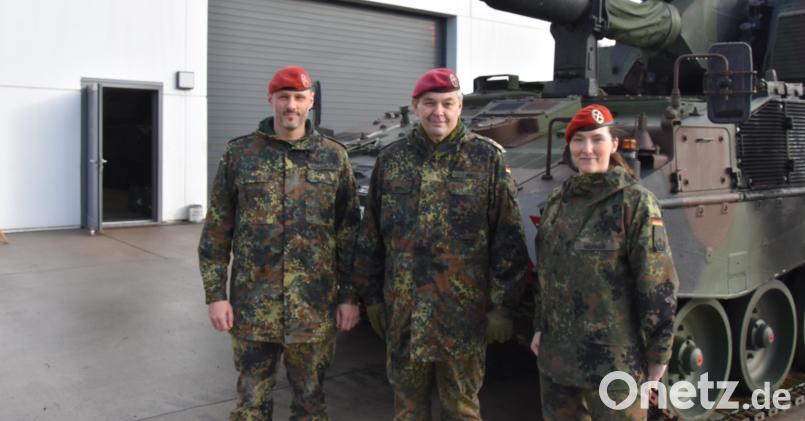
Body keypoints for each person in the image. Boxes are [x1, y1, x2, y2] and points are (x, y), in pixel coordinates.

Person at [352, 68, 528, 420]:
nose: (439, 112)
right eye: (429, 103)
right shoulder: (392, 160)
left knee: (461, 409)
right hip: (404, 314)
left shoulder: (487, 158)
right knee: (407, 409)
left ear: (460, 106)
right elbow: (371, 235)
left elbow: (508, 240)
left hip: (463, 317)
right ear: (416, 106)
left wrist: (502, 306)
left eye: (448, 103)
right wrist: (370, 297)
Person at [198, 65, 361, 421]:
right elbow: (216, 230)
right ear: (270, 98)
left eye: (299, 98)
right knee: (251, 405)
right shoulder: (239, 154)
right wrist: (216, 295)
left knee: (311, 404)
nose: (291, 105)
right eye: (284, 97)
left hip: (313, 308)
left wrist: (349, 296)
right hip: (254, 307)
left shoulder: (334, 156)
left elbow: (349, 232)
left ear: (311, 102)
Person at [530, 104, 679, 420]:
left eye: (597, 139)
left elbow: (657, 284)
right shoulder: (558, 201)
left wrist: (659, 354)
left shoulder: (634, 202)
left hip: (615, 365)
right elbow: (547, 272)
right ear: (569, 147)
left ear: (613, 145)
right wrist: (539, 327)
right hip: (558, 362)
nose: (587, 149)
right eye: (579, 141)